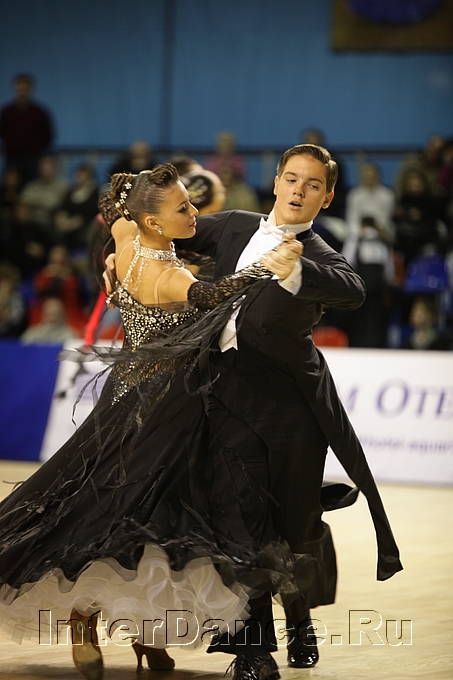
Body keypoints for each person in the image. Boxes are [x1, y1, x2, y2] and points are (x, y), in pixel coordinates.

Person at [0, 163, 302, 680]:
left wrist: (110, 259)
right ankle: (83, 619)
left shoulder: (126, 233)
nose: (194, 212)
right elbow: (213, 295)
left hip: (129, 395)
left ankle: (145, 632)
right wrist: (266, 266)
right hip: (161, 407)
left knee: (151, 519)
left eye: (191, 202)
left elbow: (112, 210)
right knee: (124, 515)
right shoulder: (169, 276)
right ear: (154, 221)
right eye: (184, 207)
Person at [169, 144, 403, 675]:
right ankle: (254, 649)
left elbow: (354, 291)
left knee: (294, 527)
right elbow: (170, 230)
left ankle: (299, 619)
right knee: (242, 518)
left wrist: (296, 268)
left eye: (312, 184)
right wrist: (123, 250)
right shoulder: (232, 226)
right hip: (228, 396)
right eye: (292, 178)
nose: (299, 190)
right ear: (275, 182)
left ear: (327, 197)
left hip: (292, 407)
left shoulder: (320, 253)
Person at [0, 74, 54, 187]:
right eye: (19, 89)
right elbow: (2, 132)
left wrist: (36, 148)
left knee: (33, 188)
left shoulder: (39, 112)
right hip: (12, 159)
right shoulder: (7, 112)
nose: (22, 92)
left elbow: (48, 135)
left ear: (30, 90)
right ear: (15, 89)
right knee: (11, 188)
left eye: (25, 89)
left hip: (33, 160)